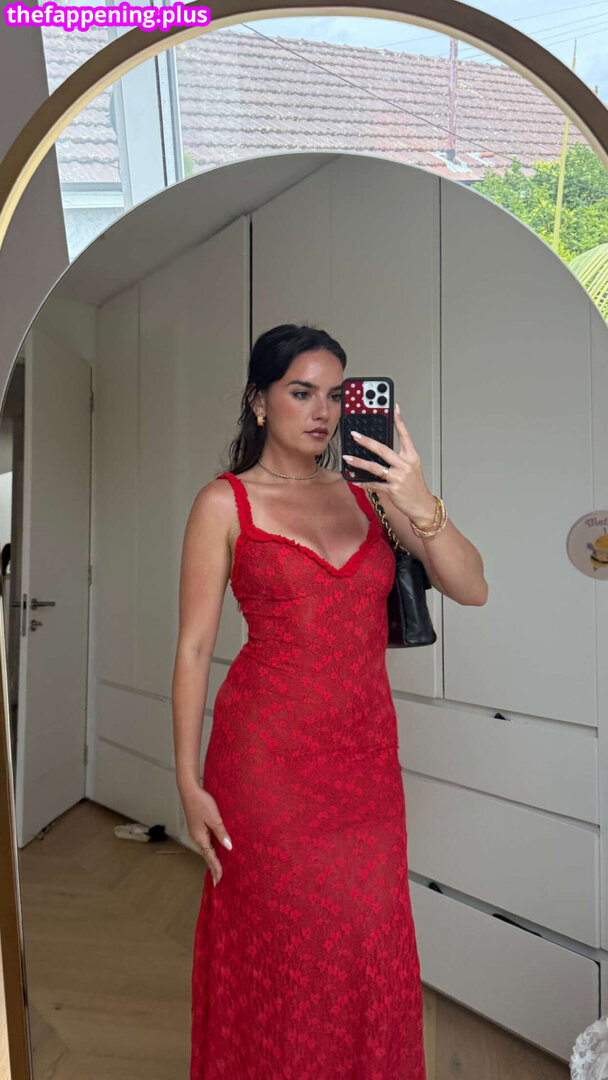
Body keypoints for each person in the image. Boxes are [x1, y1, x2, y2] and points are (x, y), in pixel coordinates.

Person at [172, 323, 488, 1079]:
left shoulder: (370, 493)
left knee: (366, 943)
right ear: (260, 401)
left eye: (336, 395)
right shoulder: (224, 503)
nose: (323, 412)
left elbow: (472, 586)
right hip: (264, 766)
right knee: (286, 951)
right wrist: (186, 780)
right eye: (301, 392)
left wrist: (416, 497)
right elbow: (193, 648)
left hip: (365, 764)